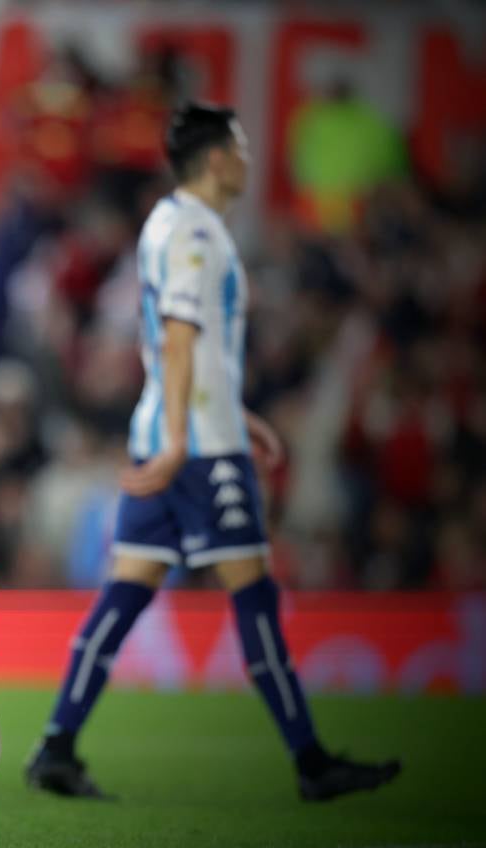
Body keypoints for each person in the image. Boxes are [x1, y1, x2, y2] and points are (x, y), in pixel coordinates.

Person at [24, 103, 402, 802]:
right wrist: (183, 439)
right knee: (254, 597)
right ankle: (313, 764)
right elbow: (176, 336)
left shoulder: (167, 223)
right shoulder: (197, 232)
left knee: (125, 594)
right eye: (244, 146)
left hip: (181, 431)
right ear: (220, 158)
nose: (251, 160)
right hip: (196, 449)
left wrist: (236, 412)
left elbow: (188, 349)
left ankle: (56, 744)